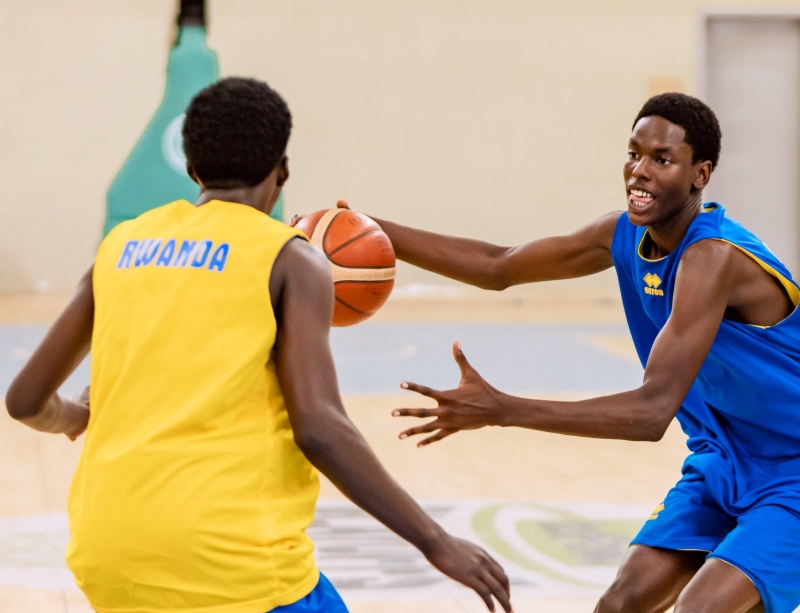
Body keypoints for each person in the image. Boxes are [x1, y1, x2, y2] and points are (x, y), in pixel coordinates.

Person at [353, 93, 800, 613]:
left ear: (701, 174)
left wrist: (504, 409)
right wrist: (368, 231)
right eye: (634, 153)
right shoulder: (620, 234)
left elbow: (651, 413)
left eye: (662, 160)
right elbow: (499, 266)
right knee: (620, 604)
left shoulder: (714, 257)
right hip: (725, 459)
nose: (639, 171)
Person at [5, 77, 511, 613]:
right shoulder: (289, 259)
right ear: (283, 170)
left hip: (107, 558)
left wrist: (75, 416)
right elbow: (320, 430)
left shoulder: (121, 246)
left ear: (192, 168)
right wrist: (435, 541)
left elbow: (24, 401)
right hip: (230, 564)